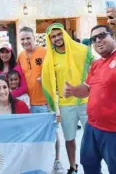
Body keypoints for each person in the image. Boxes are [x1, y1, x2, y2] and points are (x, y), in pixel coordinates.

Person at [64, 7, 116, 174]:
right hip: (92, 127)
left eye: (102, 35)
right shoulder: (96, 64)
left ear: (112, 36)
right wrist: (73, 90)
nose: (97, 40)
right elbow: (86, 89)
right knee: (88, 164)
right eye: (94, 38)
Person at [42, 23, 94, 174]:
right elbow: (48, 81)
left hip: (86, 101)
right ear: (50, 39)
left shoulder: (82, 50)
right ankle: (73, 166)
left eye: (59, 34)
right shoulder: (50, 58)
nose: (57, 38)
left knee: (92, 137)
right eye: (53, 37)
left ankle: (92, 167)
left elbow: (95, 66)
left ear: (64, 34)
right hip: (66, 105)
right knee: (69, 139)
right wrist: (53, 104)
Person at [17, 26, 64, 173]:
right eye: (22, 39)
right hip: (28, 104)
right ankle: (38, 162)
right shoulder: (20, 56)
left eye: (28, 38)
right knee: (32, 135)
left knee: (52, 133)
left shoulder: (45, 52)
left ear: (34, 38)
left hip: (45, 103)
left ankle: (57, 161)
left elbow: (56, 71)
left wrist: (47, 79)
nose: (25, 41)